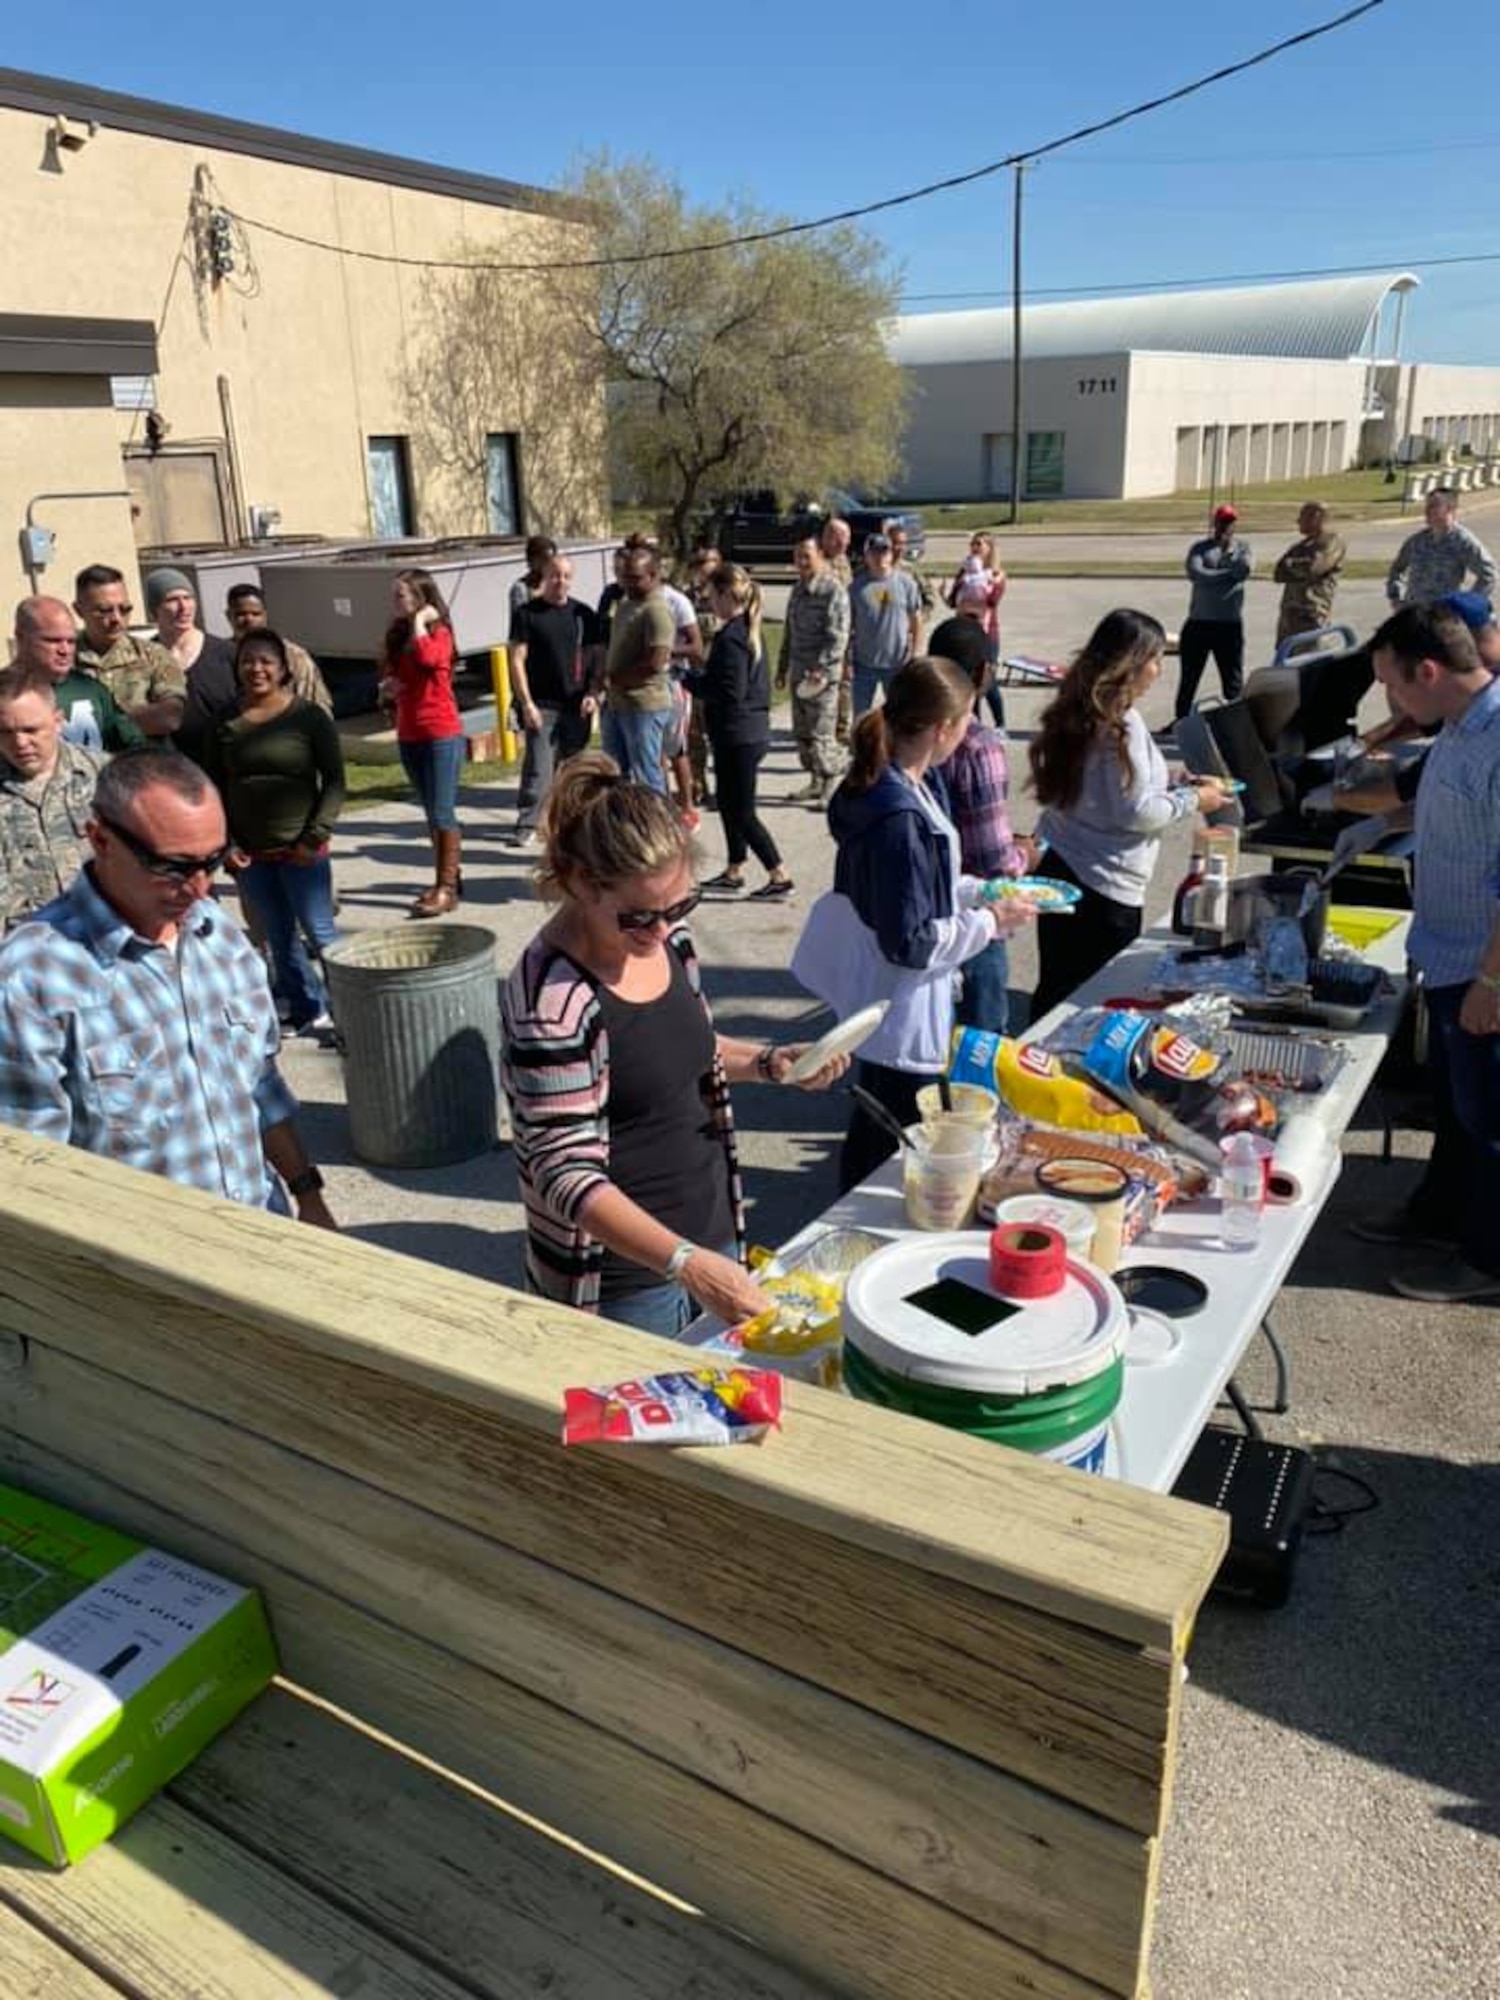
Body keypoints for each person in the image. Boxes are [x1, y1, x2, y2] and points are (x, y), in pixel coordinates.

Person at [499, 753, 846, 1331]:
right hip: (627, 1283)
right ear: (583, 884)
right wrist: (686, 1264)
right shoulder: (550, 1002)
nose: (661, 930)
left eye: (678, 906)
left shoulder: (667, 939)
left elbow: (683, 1046)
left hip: (710, 1240)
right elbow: (562, 1173)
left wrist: (766, 1063)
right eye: (639, 917)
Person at [0, 748, 334, 1225]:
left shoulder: (220, 938)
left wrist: (308, 1194)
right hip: (140, 1278)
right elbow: (28, 1178)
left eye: (213, 861)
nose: (199, 888)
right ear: (101, 839)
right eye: (173, 866)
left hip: (264, 1236)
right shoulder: (31, 978)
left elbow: (259, 1086)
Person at [796, 656, 1036, 1193]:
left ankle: (860, 1219)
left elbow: (926, 886)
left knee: (880, 1125)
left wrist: (984, 891)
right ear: (940, 729)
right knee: (890, 1139)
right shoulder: (899, 815)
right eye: (966, 721)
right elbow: (911, 940)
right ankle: (858, 1235)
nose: (969, 734)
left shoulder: (908, 786)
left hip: (897, 1002)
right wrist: (990, 922)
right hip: (900, 1007)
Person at [1347, 605, 1500, 1303]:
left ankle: (1485, 1262)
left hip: (1481, 967)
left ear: (1429, 670)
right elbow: (1447, 806)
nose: (1391, 703)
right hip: (1445, 957)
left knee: (1490, 1123)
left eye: (1393, 685)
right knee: (1455, 1111)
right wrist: (1382, 820)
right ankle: (1439, 1215)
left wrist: (1492, 983)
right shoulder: (1460, 730)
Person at [1030, 610, 1229, 1021]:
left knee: (1054, 992)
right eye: (1155, 659)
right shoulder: (1125, 723)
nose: (1159, 670)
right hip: (1104, 888)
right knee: (1090, 1009)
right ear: (1131, 664)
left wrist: (1173, 781)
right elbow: (1137, 811)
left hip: (1062, 868)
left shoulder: (1081, 706)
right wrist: (1196, 800)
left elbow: (1107, 787)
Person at [211, 628, 346, 1036]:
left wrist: (314, 837)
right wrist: (226, 845)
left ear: (283, 668)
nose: (257, 668)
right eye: (248, 660)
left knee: (322, 934)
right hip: (252, 855)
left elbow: (335, 781)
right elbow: (214, 786)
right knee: (278, 937)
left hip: (303, 850)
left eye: (266, 661)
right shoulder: (225, 721)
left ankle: (349, 1011)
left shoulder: (307, 716)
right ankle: (306, 1007)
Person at [940, 650, 1032, 1035]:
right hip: (977, 915)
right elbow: (992, 853)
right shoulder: (977, 743)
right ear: (983, 672)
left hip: (929, 911)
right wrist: (1025, 857)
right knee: (982, 1037)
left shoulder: (904, 736)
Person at [696, 564, 792, 899]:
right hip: (735, 733)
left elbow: (729, 690)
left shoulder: (733, 637)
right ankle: (734, 868)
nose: (709, 603)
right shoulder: (743, 631)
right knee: (725, 802)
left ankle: (778, 873)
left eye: (712, 596)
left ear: (726, 594)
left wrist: (690, 681)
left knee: (742, 810)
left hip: (740, 734)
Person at [380, 568, 465, 917]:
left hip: (440, 731)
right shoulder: (397, 634)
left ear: (421, 597)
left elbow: (431, 659)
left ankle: (445, 888)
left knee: (443, 809)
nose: (395, 601)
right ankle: (449, 878)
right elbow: (391, 673)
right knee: (430, 809)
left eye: (402, 595)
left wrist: (421, 623)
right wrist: (386, 688)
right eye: (395, 595)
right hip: (410, 730)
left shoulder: (438, 632)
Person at [504, 554, 597, 848]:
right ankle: (528, 822)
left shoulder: (583, 614)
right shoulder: (527, 614)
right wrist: (526, 703)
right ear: (544, 576)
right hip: (541, 703)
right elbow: (516, 659)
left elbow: (597, 657)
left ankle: (572, 822)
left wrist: (594, 692)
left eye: (566, 576)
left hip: (575, 702)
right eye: (555, 575)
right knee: (539, 766)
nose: (561, 581)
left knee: (574, 767)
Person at [0, 664, 102, 930]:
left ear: (58, 721)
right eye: (5, 732)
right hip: (28, 949)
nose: (20, 743)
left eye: (31, 730)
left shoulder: (105, 777)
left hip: (106, 935)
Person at [588, 545, 675, 793]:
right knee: (615, 772)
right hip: (617, 703)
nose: (628, 583)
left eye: (635, 578)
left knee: (646, 774)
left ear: (654, 575)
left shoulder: (656, 610)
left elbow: (656, 662)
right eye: (624, 576)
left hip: (643, 705)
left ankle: (659, 826)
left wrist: (615, 678)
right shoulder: (626, 604)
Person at [12, 595, 144, 752]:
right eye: (52, 641)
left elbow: (134, 747)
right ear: (21, 638)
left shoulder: (91, 689)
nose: (65, 650)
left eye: (71, 641)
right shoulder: (5, 694)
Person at [777, 536, 850, 806]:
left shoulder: (833, 590)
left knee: (821, 735)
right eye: (798, 557)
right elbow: (789, 631)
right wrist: (783, 667)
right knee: (803, 734)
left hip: (821, 678)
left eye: (807, 556)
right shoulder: (798, 589)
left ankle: (834, 781)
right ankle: (816, 781)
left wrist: (821, 668)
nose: (802, 562)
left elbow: (838, 637)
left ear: (820, 554)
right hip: (799, 673)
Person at [73, 563, 185, 737]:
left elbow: (169, 717)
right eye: (104, 611)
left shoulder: (152, 655)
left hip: (143, 760)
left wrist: (102, 725)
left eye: (124, 609)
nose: (116, 618)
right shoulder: (63, 660)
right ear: (79, 610)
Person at [145, 568, 239, 770]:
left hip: (225, 771)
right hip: (170, 774)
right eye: (172, 600)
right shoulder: (142, 661)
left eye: (188, 597)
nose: (183, 607)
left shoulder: (228, 655)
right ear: (154, 610)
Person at [1175, 506, 1252, 721]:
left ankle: (1237, 722)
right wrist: (1228, 574)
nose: (1225, 526)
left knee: (1233, 680)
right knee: (1189, 678)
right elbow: (1196, 573)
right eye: (1221, 521)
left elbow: (1244, 571)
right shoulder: (1200, 548)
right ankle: (1181, 720)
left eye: (1230, 522)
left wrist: (1215, 575)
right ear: (1214, 523)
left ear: (1235, 525)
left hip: (1229, 625)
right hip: (1198, 623)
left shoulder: (1243, 549)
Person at [847, 532, 923, 719]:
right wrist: (846, 660)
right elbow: (847, 625)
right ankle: (862, 747)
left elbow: (916, 620)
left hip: (897, 662)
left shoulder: (907, 584)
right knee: (861, 715)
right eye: (874, 553)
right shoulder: (856, 587)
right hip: (864, 662)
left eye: (884, 552)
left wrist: (914, 654)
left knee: (899, 714)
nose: (880, 557)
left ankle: (894, 747)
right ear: (866, 556)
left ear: (891, 554)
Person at [226, 585, 333, 711]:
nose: (249, 619)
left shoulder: (295, 656)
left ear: (265, 615)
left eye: (256, 614)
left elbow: (317, 704)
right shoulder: (221, 655)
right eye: (241, 614)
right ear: (228, 616)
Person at [1385, 488, 1496, 608]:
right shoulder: (1417, 541)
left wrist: (1466, 605)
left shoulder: (1463, 541)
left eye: (1433, 506)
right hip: (1412, 615)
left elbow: (1489, 576)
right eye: (1427, 506)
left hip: (1442, 618)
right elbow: (1397, 569)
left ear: (1450, 510)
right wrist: (1395, 597)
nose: (1426, 511)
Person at [929, 579, 1003, 727]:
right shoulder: (964, 576)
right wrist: (945, 594)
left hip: (978, 637)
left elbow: (993, 601)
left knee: (986, 690)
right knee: (969, 690)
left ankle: (999, 723)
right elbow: (953, 601)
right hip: (959, 638)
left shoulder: (990, 577)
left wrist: (997, 583)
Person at [1273, 502, 1346, 647]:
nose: (1298, 521)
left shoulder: (1332, 542)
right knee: (1286, 667)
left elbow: (1314, 568)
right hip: (1289, 620)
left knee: (1311, 664)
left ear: (1317, 518)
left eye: (1303, 516)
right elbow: (1278, 573)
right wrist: (1296, 566)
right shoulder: (1300, 546)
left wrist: (1292, 565)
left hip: (1311, 618)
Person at [885, 519, 935, 618]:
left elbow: (930, 596)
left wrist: (920, 619)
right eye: (895, 543)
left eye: (903, 543)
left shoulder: (910, 570)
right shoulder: (875, 569)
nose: (900, 548)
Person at [509, 535, 558, 619]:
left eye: (552, 559)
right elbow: (520, 620)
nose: (549, 564)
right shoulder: (520, 588)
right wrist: (539, 594)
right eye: (545, 559)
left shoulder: (555, 583)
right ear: (532, 560)